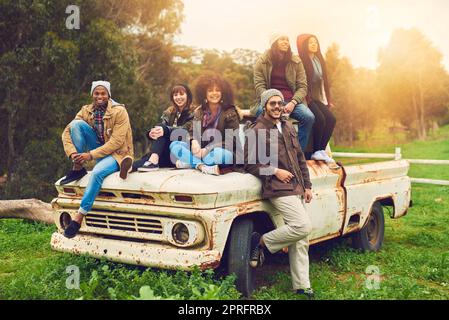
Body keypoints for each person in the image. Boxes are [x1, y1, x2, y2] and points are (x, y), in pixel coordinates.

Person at [245, 89, 315, 299]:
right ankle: (261, 243)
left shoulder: (287, 126)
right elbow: (249, 165)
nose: (276, 107)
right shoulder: (256, 130)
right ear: (264, 106)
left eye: (279, 103)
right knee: (302, 226)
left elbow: (300, 157)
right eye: (272, 103)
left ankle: (301, 285)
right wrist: (275, 171)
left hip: (296, 187)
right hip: (276, 188)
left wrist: (307, 185)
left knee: (301, 239)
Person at [60, 81, 134, 238]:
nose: (100, 96)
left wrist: (91, 155)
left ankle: (79, 217)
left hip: (118, 153)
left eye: (103, 93)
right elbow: (66, 132)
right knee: (76, 125)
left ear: (109, 95)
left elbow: (116, 142)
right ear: (92, 94)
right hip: (99, 147)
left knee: (96, 173)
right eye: (97, 93)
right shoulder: (86, 110)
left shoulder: (119, 111)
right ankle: (77, 168)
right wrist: (74, 154)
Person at [251, 33, 315, 151]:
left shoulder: (296, 61)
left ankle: (296, 153)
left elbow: (302, 87)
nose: (286, 42)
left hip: (291, 101)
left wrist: (293, 102)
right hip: (269, 101)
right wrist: (271, 102)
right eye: (282, 39)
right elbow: (259, 86)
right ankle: (269, 151)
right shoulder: (262, 61)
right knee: (260, 112)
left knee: (309, 117)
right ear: (274, 43)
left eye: (287, 40)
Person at [169, 73, 242, 176]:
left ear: (223, 93)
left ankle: (191, 162)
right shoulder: (199, 111)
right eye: (210, 90)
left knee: (217, 155)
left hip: (223, 152)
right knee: (175, 145)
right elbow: (191, 132)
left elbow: (231, 141)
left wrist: (207, 150)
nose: (214, 93)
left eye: (217, 90)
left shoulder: (229, 112)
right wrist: (193, 141)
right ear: (204, 93)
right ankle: (201, 166)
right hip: (200, 152)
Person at [133, 84, 195, 172]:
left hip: (183, 151)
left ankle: (153, 160)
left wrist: (165, 130)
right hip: (168, 152)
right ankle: (130, 167)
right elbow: (161, 130)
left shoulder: (194, 112)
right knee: (148, 158)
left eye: (181, 94)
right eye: (175, 95)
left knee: (162, 129)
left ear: (188, 95)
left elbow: (186, 131)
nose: (178, 97)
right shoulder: (169, 112)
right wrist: (151, 134)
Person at [297, 34, 337, 165]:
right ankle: (315, 151)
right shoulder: (300, 61)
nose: (314, 45)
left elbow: (323, 82)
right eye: (310, 43)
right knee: (319, 118)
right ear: (304, 45)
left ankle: (320, 150)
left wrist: (327, 100)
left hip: (316, 97)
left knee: (331, 119)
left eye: (315, 42)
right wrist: (305, 99)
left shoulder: (319, 59)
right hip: (305, 98)